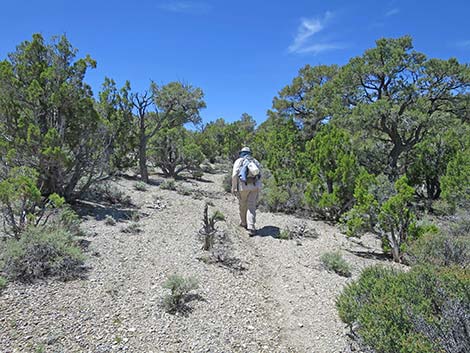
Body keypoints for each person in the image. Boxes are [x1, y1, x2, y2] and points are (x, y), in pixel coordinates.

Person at [231, 147, 262, 236]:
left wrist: (234, 187)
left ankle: (244, 223)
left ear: (241, 153)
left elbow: (234, 175)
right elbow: (260, 175)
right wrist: (259, 187)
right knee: (251, 206)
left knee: (242, 205)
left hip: (243, 186)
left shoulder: (239, 161)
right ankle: (251, 227)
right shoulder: (255, 161)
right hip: (254, 187)